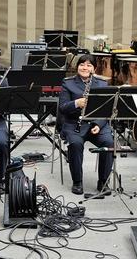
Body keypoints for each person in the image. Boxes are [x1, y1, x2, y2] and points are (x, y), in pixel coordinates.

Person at [58, 54, 114, 195]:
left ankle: (103, 182)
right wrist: (76, 103)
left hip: (96, 124)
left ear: (94, 69)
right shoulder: (67, 83)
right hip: (74, 124)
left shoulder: (102, 84)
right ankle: (77, 182)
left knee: (109, 143)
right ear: (77, 67)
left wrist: (98, 124)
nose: (85, 67)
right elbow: (63, 108)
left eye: (89, 65)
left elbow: (107, 110)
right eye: (82, 64)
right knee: (76, 144)